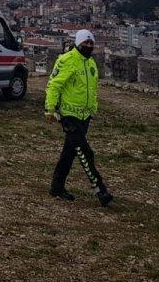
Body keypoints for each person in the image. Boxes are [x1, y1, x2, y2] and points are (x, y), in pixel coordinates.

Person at [44, 29, 113, 206]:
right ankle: (101, 190)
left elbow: (92, 89)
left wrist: (92, 109)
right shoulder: (67, 60)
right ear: (78, 43)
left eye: (91, 43)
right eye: (85, 43)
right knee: (85, 152)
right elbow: (54, 85)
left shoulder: (90, 64)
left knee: (69, 153)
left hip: (84, 116)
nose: (89, 46)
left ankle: (56, 187)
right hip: (69, 115)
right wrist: (50, 109)